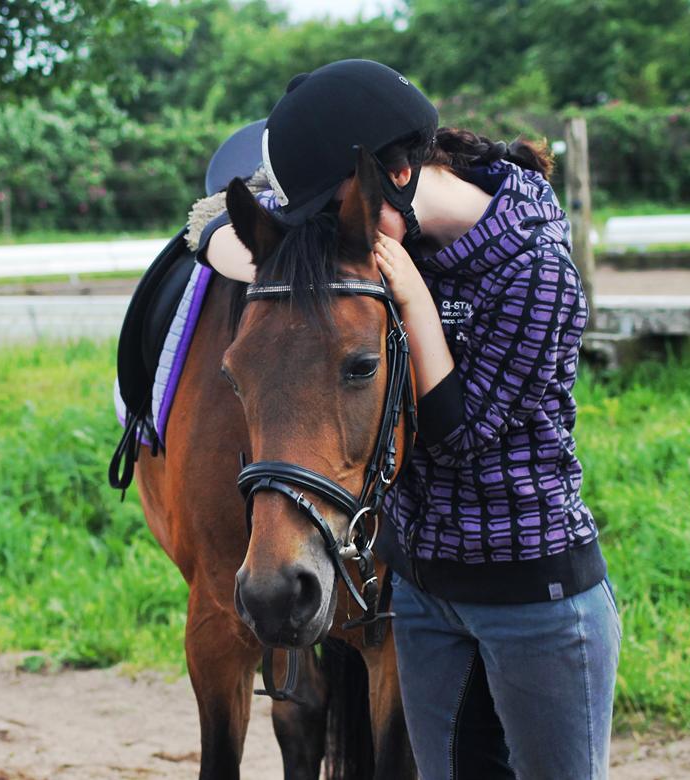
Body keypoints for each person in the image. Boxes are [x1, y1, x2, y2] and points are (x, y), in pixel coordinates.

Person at [194, 59, 621, 779]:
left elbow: (456, 437)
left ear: (388, 180)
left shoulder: (536, 270)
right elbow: (213, 222)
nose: (336, 235)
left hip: (531, 596)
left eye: (335, 213)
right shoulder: (385, 235)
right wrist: (226, 247)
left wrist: (416, 297)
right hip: (425, 597)